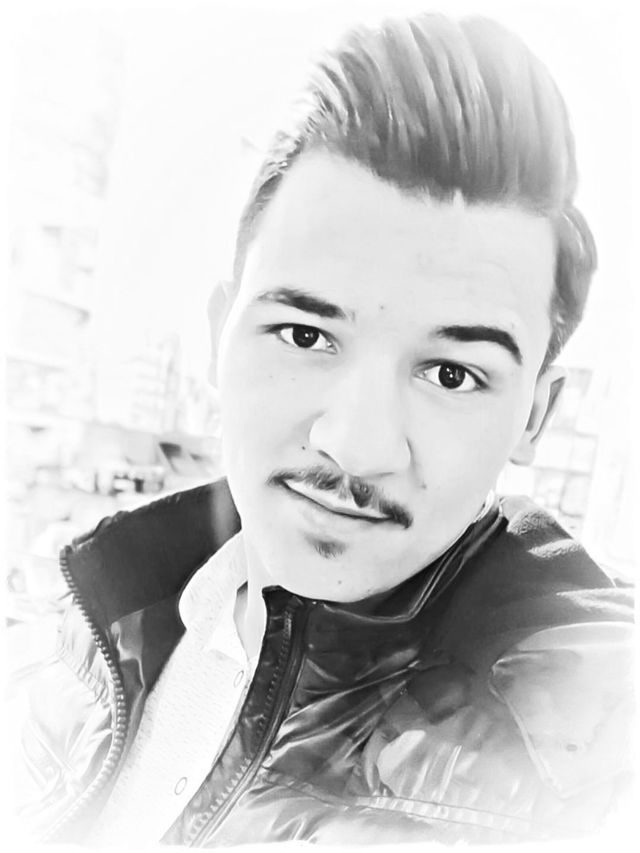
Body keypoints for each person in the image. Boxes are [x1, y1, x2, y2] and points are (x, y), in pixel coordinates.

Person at [16, 11, 634, 847]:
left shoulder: (591, 755)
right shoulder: (90, 618)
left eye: (452, 374)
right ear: (219, 338)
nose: (357, 445)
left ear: (535, 416)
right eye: (305, 335)